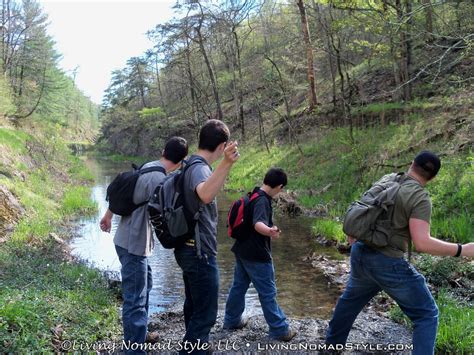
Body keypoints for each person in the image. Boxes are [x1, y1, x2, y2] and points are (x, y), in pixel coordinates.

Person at [325, 151, 474, 355]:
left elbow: (365, 210)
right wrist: (462, 250)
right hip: (387, 262)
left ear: (412, 164)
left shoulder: (388, 179)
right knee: (426, 315)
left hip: (360, 253)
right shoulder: (419, 198)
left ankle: (331, 349)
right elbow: (422, 243)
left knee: (350, 301)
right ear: (434, 177)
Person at [99, 137, 188, 354]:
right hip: (134, 245)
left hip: (127, 240)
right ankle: (133, 348)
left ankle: (140, 334)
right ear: (180, 161)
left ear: (163, 151)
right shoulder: (161, 181)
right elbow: (166, 218)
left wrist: (108, 216)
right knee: (135, 298)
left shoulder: (149, 166)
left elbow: (126, 192)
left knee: (145, 286)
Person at [174, 119, 239, 354]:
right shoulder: (200, 167)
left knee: (194, 304)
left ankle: (199, 345)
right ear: (221, 146)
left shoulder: (189, 163)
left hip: (187, 247)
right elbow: (205, 194)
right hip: (198, 251)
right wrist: (227, 164)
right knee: (206, 313)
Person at [224, 167, 296, 342]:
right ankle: (279, 329)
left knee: (238, 287)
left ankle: (231, 320)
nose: (281, 192)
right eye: (282, 189)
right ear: (279, 186)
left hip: (242, 250)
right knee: (267, 292)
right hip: (256, 254)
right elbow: (258, 224)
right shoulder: (263, 201)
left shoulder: (253, 194)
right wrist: (271, 231)